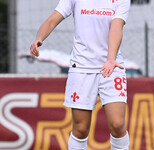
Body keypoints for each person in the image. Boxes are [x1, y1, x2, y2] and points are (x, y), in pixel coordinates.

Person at [30, 0, 130, 149]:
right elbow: (53, 19)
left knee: (117, 124)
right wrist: (39, 38)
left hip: (111, 66)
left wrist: (110, 59)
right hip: (81, 67)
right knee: (81, 129)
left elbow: (116, 27)